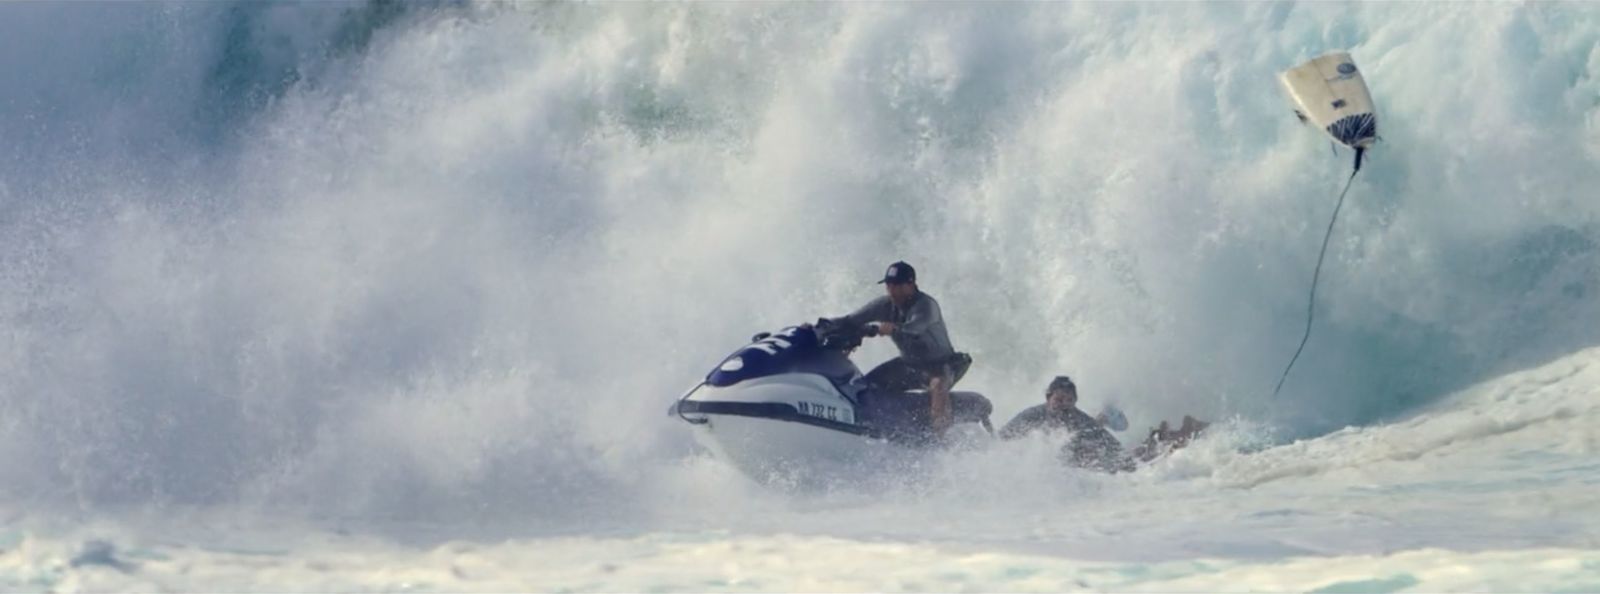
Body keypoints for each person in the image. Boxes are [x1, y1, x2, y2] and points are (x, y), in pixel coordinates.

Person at [833, 261, 971, 435]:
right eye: (889, 285)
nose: (892, 290)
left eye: (897, 286)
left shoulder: (926, 306)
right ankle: (878, 424)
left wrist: (893, 328)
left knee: (937, 386)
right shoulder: (884, 305)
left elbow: (914, 329)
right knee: (867, 386)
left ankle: (941, 440)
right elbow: (848, 320)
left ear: (911, 284)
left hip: (941, 365)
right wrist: (818, 327)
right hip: (910, 365)